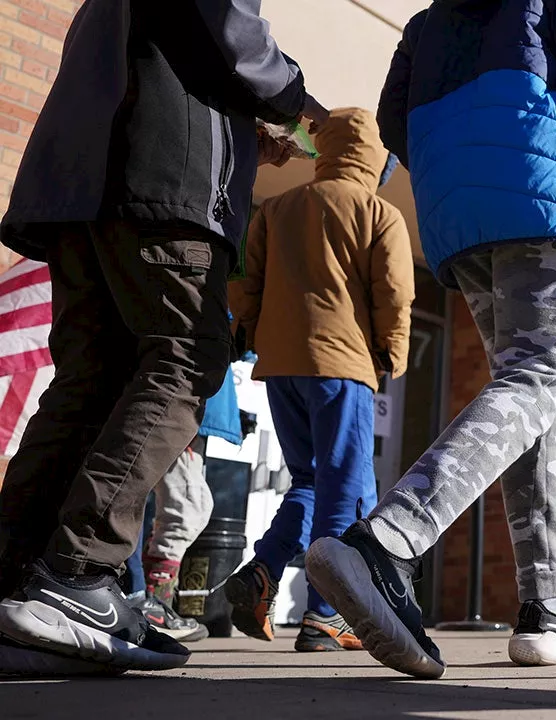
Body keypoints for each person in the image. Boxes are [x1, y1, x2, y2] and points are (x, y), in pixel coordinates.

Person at [303, 0, 556, 678]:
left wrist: (462, 167)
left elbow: (393, 121)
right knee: (535, 379)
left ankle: (547, 605)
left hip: (459, 209)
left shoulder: (428, 22)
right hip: (538, 190)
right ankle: (388, 541)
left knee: (531, 401)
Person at [0, 0, 324, 674]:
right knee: (185, 360)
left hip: (88, 184)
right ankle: (77, 572)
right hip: (161, 180)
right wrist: (293, 96)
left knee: (95, 380)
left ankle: (19, 582)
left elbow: (171, 45)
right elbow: (228, 27)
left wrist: (240, 132)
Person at [226, 107, 414, 653]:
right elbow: (395, 294)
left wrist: (248, 332)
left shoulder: (279, 207)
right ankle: (325, 614)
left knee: (308, 480)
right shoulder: (379, 214)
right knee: (343, 486)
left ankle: (262, 571)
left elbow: (244, 279)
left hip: (280, 366)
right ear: (376, 157)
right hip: (341, 365)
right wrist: (391, 354)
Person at [121, 363, 244, 643]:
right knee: (183, 507)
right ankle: (146, 602)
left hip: (192, 395)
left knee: (182, 505)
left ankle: (151, 600)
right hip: (181, 393)